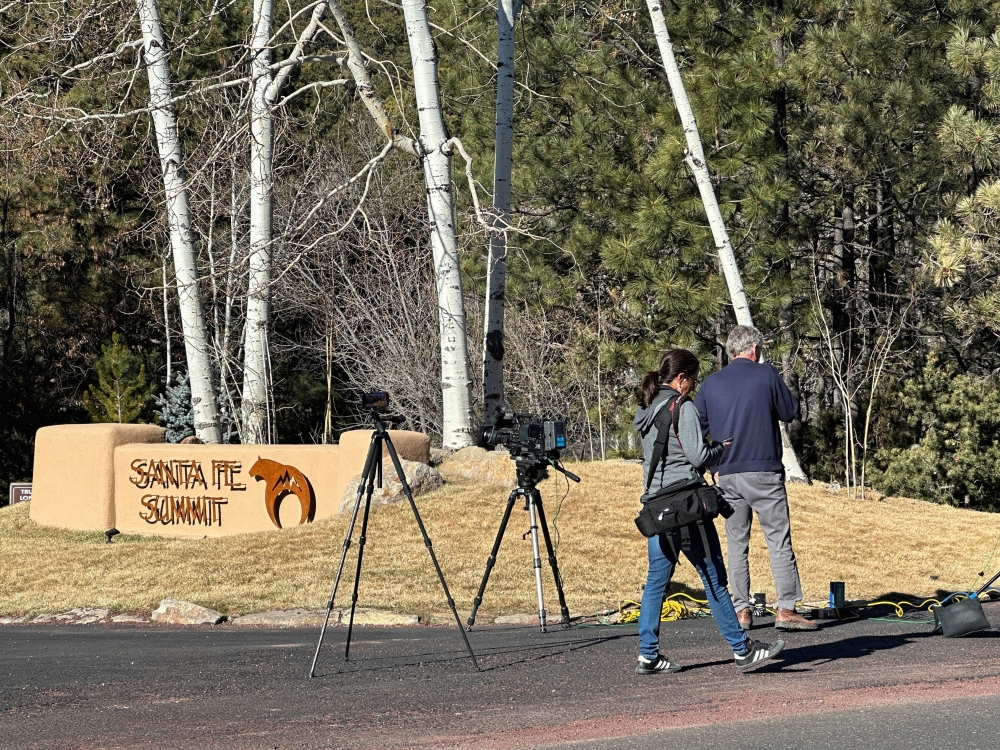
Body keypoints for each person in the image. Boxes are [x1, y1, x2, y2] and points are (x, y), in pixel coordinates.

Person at [634, 348, 785, 674]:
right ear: (681, 378)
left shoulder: (647, 409)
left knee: (655, 584)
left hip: (657, 508)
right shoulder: (681, 406)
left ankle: (648, 654)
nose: (695, 386)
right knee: (714, 579)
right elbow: (698, 456)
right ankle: (743, 650)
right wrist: (721, 448)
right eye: (694, 379)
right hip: (686, 506)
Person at [694, 325, 817, 632]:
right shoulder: (766, 375)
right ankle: (786, 608)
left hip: (727, 472)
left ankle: (741, 611)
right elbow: (790, 412)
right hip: (764, 470)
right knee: (778, 540)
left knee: (737, 544)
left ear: (730, 351)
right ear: (753, 349)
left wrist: (712, 464)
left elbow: (695, 427)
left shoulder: (711, 383)